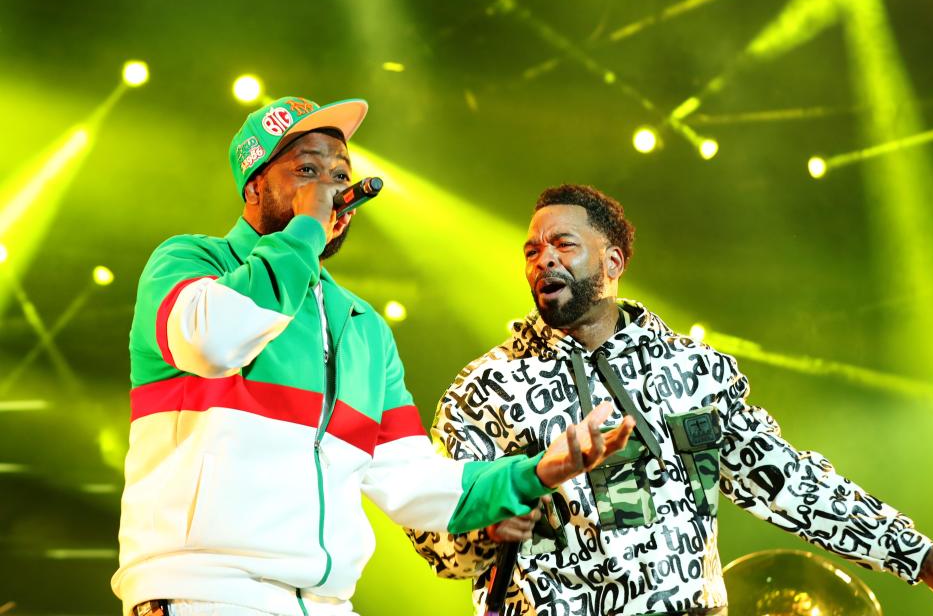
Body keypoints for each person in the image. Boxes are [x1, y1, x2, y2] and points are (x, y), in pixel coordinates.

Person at [111, 100, 636, 616]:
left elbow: (412, 481)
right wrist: (305, 232)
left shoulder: (361, 327)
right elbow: (213, 341)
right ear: (254, 187)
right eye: (307, 171)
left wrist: (535, 472)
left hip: (325, 602)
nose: (331, 189)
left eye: (341, 174)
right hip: (205, 592)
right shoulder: (191, 263)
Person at [406, 184, 933, 616]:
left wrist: (920, 556)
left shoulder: (694, 371)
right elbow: (430, 523)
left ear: (613, 263)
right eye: (531, 250)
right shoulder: (486, 388)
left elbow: (787, 479)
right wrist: (484, 528)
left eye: (564, 244)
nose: (543, 259)